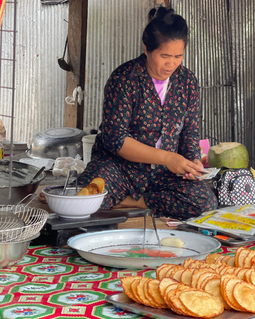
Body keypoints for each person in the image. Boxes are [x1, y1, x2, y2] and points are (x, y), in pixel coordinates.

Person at [76, 7, 217, 219]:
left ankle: (128, 202)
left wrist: (192, 163)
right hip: (120, 167)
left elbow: (190, 132)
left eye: (178, 56)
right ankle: (116, 198)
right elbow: (115, 140)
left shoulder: (187, 82)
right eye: (165, 56)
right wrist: (167, 157)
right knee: (85, 200)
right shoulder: (124, 79)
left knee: (205, 201)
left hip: (163, 175)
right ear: (147, 49)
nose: (172, 63)